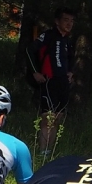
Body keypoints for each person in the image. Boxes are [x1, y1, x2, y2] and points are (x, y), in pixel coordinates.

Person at [30, 9, 76, 156]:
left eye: (71, 21)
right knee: (47, 117)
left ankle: (50, 151)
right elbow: (29, 50)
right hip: (49, 80)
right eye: (66, 20)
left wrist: (70, 72)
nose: (69, 24)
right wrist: (34, 71)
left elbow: (70, 59)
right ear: (57, 21)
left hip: (63, 82)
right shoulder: (48, 36)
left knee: (58, 117)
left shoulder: (68, 40)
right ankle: (42, 151)